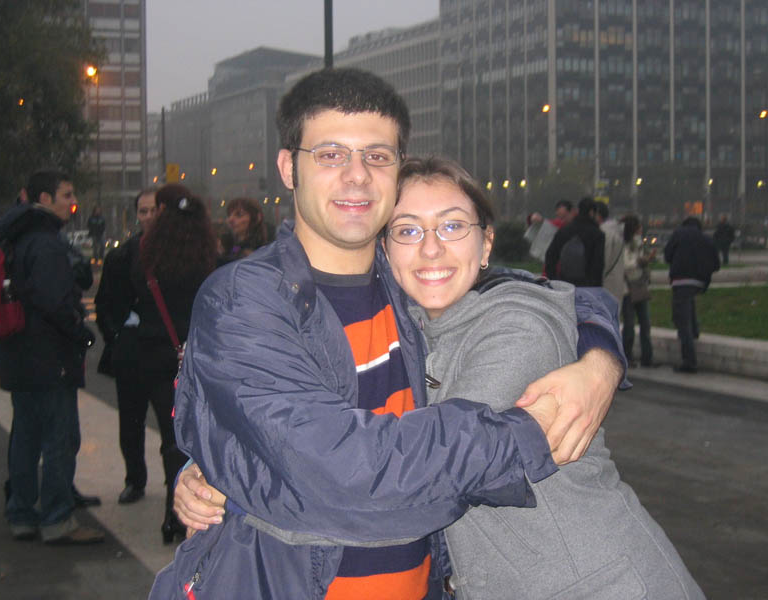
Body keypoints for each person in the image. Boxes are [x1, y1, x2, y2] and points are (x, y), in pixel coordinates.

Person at [152, 68, 624, 599]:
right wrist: (528, 433)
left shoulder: (410, 282)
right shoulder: (244, 299)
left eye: (377, 156)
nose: (356, 175)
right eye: (331, 154)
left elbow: (553, 295)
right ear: (288, 168)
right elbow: (344, 472)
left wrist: (601, 364)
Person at [378, 156, 701, 598]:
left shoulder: (519, 325)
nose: (431, 248)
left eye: (452, 226)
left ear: (486, 244)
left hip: (604, 585)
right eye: (407, 230)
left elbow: (438, 464)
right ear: (385, 250)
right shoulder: (411, 328)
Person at [0, 170, 104, 545]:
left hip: (17, 353)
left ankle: (22, 513)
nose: (72, 202)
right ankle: (58, 519)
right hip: (50, 356)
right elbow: (54, 301)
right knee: (60, 438)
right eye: (66, 195)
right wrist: (81, 333)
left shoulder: (13, 237)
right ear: (44, 198)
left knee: (25, 436)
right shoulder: (46, 243)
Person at [131, 184, 217, 543]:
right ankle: (194, 507)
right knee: (198, 437)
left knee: (171, 437)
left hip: (157, 356)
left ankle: (172, 513)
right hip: (200, 359)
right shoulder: (209, 261)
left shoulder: (146, 261)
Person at [95, 188, 158, 505]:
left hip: (167, 350)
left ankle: (178, 483)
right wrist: (117, 336)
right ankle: (135, 479)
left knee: (174, 424)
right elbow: (103, 303)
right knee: (131, 422)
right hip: (131, 348)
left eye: (154, 210)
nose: (149, 217)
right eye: (143, 211)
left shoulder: (184, 253)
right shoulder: (120, 256)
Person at [664, 217, 720, 373]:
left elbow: (667, 255)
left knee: (682, 321)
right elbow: (716, 264)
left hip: (681, 280)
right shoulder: (706, 238)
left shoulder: (678, 234)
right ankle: (695, 332)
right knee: (689, 304)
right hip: (699, 282)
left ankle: (689, 361)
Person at [621, 215, 657, 368]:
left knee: (645, 323)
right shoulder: (624, 244)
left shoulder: (639, 242)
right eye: (638, 226)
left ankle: (647, 357)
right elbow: (626, 264)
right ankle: (626, 356)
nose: (641, 228)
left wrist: (646, 259)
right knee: (629, 324)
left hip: (640, 285)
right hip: (628, 287)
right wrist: (641, 261)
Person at [544, 196, 605, 287]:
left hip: (565, 283)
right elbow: (598, 264)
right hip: (587, 285)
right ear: (592, 212)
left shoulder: (564, 230)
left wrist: (554, 279)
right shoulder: (597, 234)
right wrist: (596, 285)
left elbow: (550, 256)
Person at [220, 196, 269, 263]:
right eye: (229, 215)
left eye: (239, 215)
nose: (230, 219)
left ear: (256, 218)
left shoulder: (262, 251)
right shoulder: (233, 245)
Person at [595, 200, 626, 302]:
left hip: (607, 283)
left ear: (598, 215)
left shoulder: (604, 233)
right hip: (616, 281)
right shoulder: (616, 231)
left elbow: (604, 260)